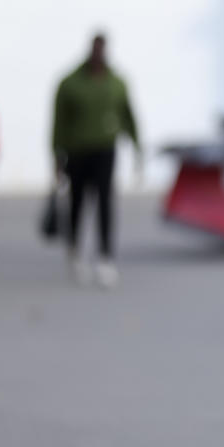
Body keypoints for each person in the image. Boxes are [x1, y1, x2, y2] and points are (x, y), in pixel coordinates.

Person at [52, 34, 140, 288]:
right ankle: (75, 250)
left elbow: (128, 114)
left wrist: (136, 146)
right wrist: (57, 156)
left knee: (105, 203)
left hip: (105, 151)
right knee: (77, 203)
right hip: (77, 152)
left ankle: (105, 256)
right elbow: (58, 123)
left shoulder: (116, 82)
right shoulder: (70, 83)